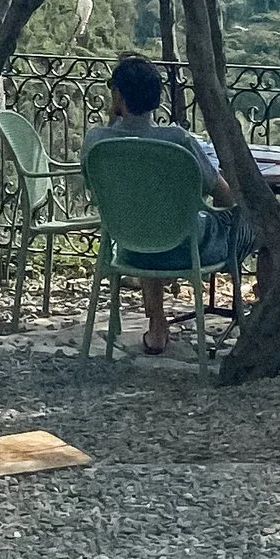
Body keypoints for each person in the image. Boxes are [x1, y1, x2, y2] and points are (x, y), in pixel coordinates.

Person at [83, 51, 245, 355]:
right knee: (255, 226)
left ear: (118, 96)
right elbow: (225, 197)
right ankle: (259, 316)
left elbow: (97, 193)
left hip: (130, 249)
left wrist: (114, 113)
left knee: (148, 216)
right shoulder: (178, 141)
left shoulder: (97, 144)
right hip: (188, 251)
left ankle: (157, 327)